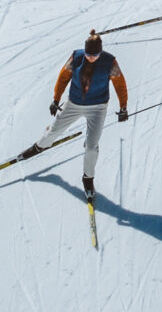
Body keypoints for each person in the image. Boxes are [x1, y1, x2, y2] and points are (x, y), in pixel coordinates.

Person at [21, 30, 128, 197]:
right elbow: (63, 78)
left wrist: (123, 107)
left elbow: (120, 84)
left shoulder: (109, 62)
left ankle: (88, 178)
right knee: (52, 132)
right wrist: (56, 100)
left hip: (98, 108)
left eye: (95, 54)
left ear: (100, 52)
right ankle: (38, 147)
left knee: (92, 147)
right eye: (89, 54)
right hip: (74, 103)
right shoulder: (76, 57)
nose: (91, 57)